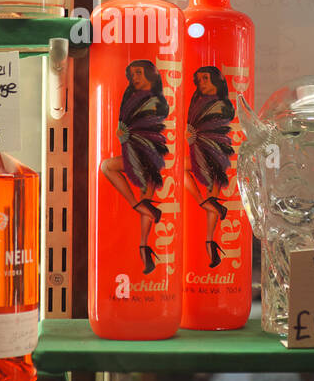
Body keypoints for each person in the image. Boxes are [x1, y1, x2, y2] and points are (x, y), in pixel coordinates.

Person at [100, 60, 170, 275]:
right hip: (134, 151)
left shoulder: (156, 99)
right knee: (107, 167)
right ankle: (139, 211)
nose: (135, 78)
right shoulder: (131, 97)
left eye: (139, 73)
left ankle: (144, 247)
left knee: (144, 194)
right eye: (132, 74)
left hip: (150, 153)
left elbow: (154, 122)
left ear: (150, 74)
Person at [185, 66, 235, 269]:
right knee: (179, 169)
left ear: (216, 81)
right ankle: (206, 206)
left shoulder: (221, 104)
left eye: (205, 78)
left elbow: (215, 129)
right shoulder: (196, 101)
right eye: (199, 79)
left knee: (212, 190)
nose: (201, 83)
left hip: (214, 153)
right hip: (199, 151)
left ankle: (211, 243)